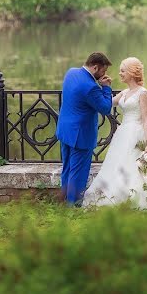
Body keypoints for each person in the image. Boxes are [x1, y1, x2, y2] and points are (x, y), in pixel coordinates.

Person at [84, 57, 147, 208]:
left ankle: (139, 200)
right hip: (123, 134)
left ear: (131, 72)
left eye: (123, 71)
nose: (120, 73)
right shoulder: (124, 93)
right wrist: (103, 86)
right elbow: (107, 104)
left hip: (137, 135)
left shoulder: (142, 93)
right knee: (118, 166)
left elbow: (145, 120)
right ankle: (119, 198)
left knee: (136, 168)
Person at [56, 52, 113, 205]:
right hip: (80, 134)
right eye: (103, 71)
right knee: (78, 172)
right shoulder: (90, 87)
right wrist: (106, 88)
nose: (104, 74)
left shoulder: (71, 73)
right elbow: (106, 108)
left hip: (65, 130)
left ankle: (64, 201)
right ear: (95, 67)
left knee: (67, 168)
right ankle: (72, 206)